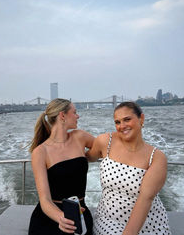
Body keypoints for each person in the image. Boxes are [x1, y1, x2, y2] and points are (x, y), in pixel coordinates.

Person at [86, 101, 171, 235]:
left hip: (150, 221)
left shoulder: (156, 157)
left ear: (141, 118)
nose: (122, 126)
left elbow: (145, 199)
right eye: (117, 122)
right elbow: (86, 157)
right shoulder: (105, 141)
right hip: (109, 218)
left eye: (127, 120)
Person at [28, 98, 94, 235]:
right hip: (51, 218)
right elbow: (45, 199)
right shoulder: (40, 152)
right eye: (74, 112)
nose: (78, 116)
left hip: (81, 212)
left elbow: (105, 148)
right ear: (62, 115)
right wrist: (61, 218)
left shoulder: (80, 137)